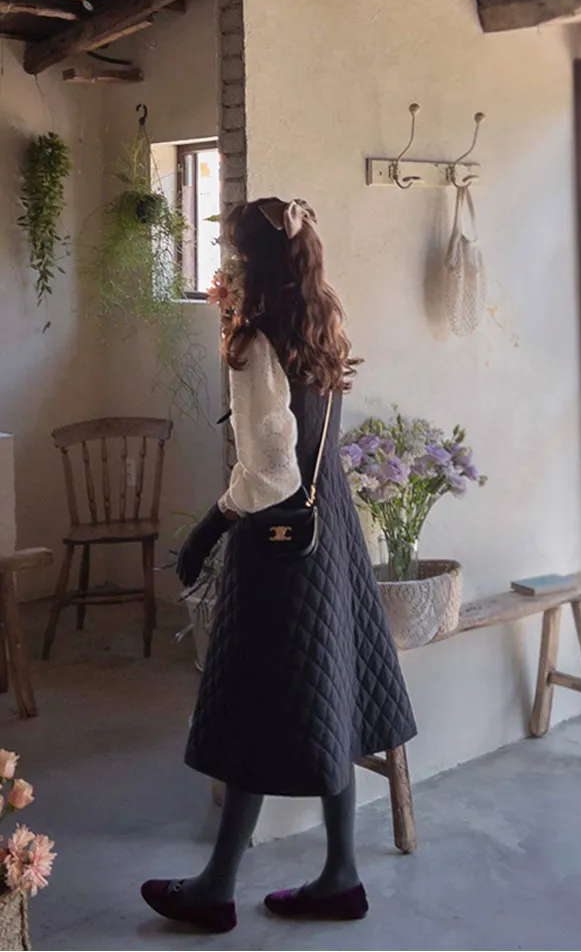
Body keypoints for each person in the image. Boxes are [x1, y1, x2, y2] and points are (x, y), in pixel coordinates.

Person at [141, 198, 417, 934]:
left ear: (250, 261)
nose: (226, 266)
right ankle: (339, 875)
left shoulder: (257, 338)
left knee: (254, 703)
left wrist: (208, 529)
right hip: (333, 533)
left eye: (232, 253)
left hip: (281, 546)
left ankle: (216, 890)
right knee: (331, 691)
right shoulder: (321, 318)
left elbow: (269, 472)